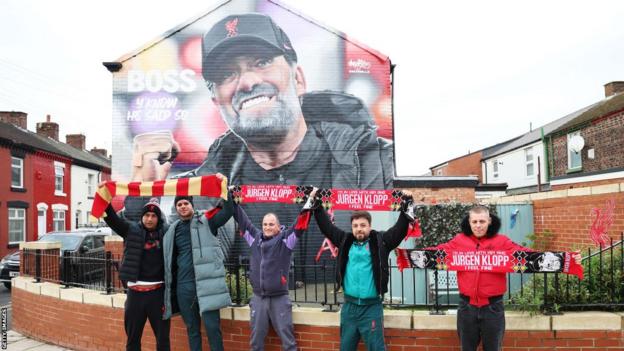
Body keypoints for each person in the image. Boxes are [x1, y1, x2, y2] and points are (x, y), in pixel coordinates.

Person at [128, 12, 394, 266]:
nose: (247, 82)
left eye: (262, 62)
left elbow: (390, 252)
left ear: (298, 79)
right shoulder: (201, 190)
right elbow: (163, 259)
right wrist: (143, 191)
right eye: (227, 75)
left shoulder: (370, 160)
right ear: (216, 103)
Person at [430, 205, 581, 351]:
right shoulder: (459, 241)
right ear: (469, 223)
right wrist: (406, 257)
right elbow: (436, 253)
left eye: (482, 221)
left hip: (493, 308)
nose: (478, 226)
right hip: (466, 307)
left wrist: (568, 259)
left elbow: (528, 255)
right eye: (474, 222)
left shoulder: (501, 241)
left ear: (489, 221)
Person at [309, 188, 413, 351]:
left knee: (377, 348)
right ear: (351, 227)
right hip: (349, 308)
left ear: (369, 226)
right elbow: (326, 227)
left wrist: (406, 203)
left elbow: (399, 231)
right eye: (355, 225)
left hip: (371, 308)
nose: (359, 229)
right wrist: (316, 203)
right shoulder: (345, 240)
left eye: (363, 225)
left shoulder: (381, 242)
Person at [231, 192, 313, 351]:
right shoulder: (254, 238)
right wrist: (230, 197)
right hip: (258, 299)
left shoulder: (285, 240)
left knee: (288, 343)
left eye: (271, 224)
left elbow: (300, 224)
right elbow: (241, 218)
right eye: (265, 224)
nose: (267, 227)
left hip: (279, 299)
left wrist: (310, 201)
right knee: (256, 343)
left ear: (278, 226)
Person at [161, 178, 233, 351]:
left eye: (186, 203)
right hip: (184, 288)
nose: (183, 206)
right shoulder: (172, 230)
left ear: (192, 205)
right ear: (176, 208)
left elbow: (228, 211)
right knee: (192, 330)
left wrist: (226, 190)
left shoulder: (207, 222)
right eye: (179, 204)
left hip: (206, 286)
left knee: (212, 329)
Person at [101, 195, 170, 351]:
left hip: (158, 295)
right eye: (146, 215)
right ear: (142, 216)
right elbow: (111, 218)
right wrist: (103, 197)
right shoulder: (131, 230)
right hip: (135, 295)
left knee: (163, 340)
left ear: (158, 218)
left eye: (153, 216)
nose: (150, 219)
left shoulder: (167, 233)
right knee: (132, 340)